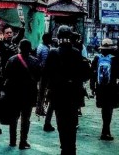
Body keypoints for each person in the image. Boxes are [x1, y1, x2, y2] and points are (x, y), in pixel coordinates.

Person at [43, 26, 90, 155]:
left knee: (61, 124)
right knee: (72, 124)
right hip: (73, 95)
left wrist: (42, 97)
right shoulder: (76, 52)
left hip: (58, 95)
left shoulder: (53, 52)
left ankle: (64, 148)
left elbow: (46, 75)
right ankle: (72, 149)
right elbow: (84, 74)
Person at [2, 39, 39, 149]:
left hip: (14, 93)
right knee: (25, 118)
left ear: (19, 47)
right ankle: (23, 141)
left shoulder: (12, 60)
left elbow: (6, 75)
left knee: (14, 117)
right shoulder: (35, 61)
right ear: (30, 48)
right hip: (29, 94)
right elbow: (38, 77)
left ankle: (12, 140)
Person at [90, 38, 119, 141]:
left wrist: (92, 87)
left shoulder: (96, 59)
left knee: (104, 109)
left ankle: (104, 130)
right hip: (111, 87)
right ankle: (106, 130)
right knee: (109, 109)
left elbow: (92, 74)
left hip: (100, 87)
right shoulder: (115, 59)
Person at [35, 33, 51, 117]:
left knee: (41, 92)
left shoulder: (40, 46)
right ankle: (40, 109)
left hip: (40, 72)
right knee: (42, 92)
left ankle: (39, 108)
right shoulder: (45, 49)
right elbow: (45, 64)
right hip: (44, 73)